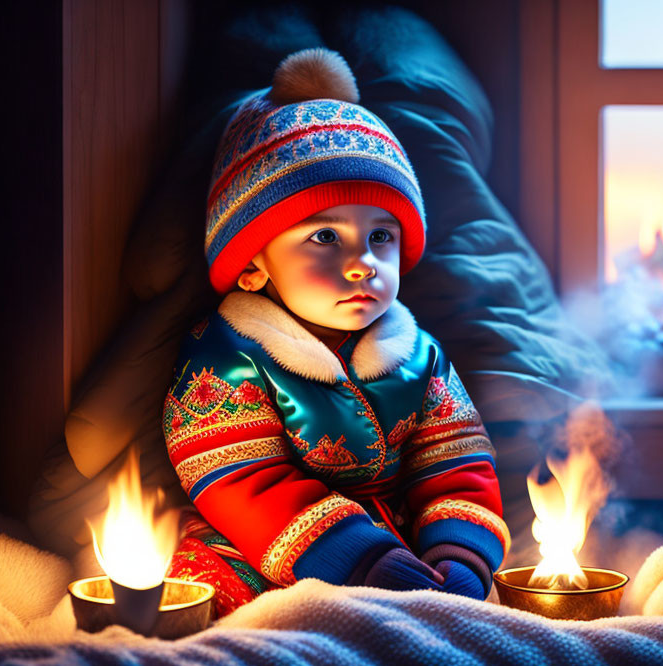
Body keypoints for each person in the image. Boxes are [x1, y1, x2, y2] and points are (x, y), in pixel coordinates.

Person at [163, 48, 509, 617]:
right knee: (219, 606)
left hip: (400, 551)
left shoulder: (420, 357)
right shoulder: (226, 356)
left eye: (380, 238)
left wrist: (460, 554)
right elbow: (240, 477)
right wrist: (355, 557)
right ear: (253, 264)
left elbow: (456, 463)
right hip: (262, 547)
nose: (362, 264)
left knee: (440, 622)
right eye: (325, 238)